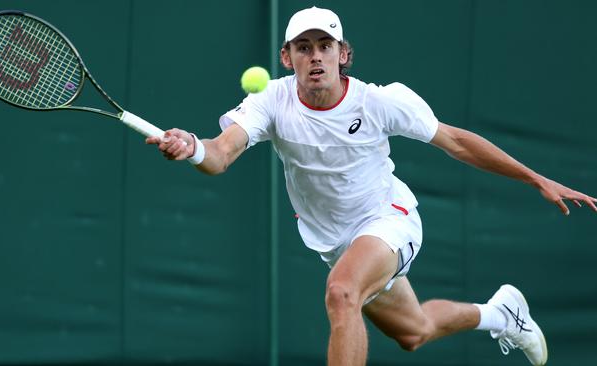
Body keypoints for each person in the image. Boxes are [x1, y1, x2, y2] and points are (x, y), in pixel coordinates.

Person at [146, 7, 596, 366]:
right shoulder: (271, 101)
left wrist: (535, 177)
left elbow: (456, 141)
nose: (316, 56)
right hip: (336, 243)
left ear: (344, 54)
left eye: (325, 46)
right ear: (287, 58)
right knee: (414, 331)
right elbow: (221, 154)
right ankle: (502, 314)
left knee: (342, 293)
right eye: (304, 48)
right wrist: (192, 147)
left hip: (389, 220)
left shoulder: (379, 101)